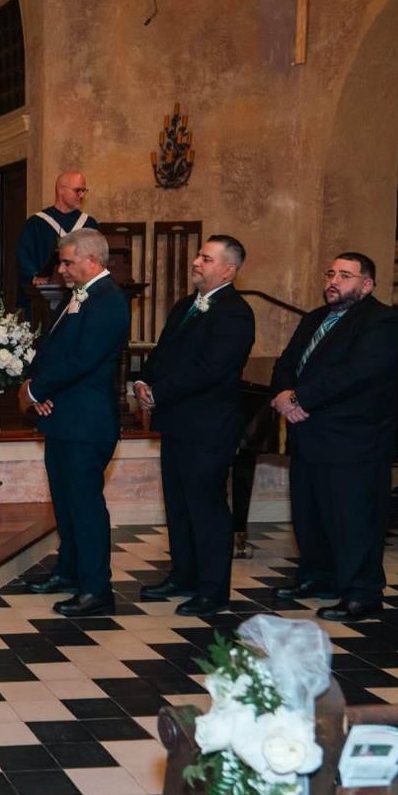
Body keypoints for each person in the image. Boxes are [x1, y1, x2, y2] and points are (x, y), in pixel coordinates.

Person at [270, 252, 398, 622]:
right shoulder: (315, 318)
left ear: (367, 284)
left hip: (353, 441)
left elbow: (356, 373)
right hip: (308, 434)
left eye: (345, 275)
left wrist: (300, 398)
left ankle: (362, 593)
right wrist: (283, 394)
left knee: (353, 520)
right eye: (330, 273)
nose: (333, 281)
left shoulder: (382, 322)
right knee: (310, 514)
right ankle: (319, 577)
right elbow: (286, 363)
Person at [133, 236, 256, 616]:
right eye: (199, 256)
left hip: (209, 427)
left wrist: (159, 392)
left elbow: (211, 369)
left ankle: (212, 591)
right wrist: (143, 381)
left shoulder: (236, 313)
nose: (196, 262)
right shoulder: (186, 305)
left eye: (206, 258)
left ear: (228, 270)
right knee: (179, 505)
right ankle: (183, 575)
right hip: (176, 423)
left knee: (207, 508)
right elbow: (162, 352)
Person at [20, 229, 131, 617]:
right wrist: (32, 383)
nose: (61, 270)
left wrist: (36, 391)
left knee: (85, 508)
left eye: (68, 262)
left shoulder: (109, 300)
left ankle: (97, 590)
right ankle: (68, 572)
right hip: (63, 418)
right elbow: (52, 351)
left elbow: (83, 359)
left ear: (92, 260)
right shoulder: (79, 296)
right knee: (66, 504)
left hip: (87, 423)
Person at [16, 171, 98, 323]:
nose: (81, 195)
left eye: (84, 191)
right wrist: (34, 276)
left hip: (83, 297)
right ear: (61, 190)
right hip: (45, 300)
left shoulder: (89, 224)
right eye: (77, 190)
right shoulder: (36, 223)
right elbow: (24, 256)